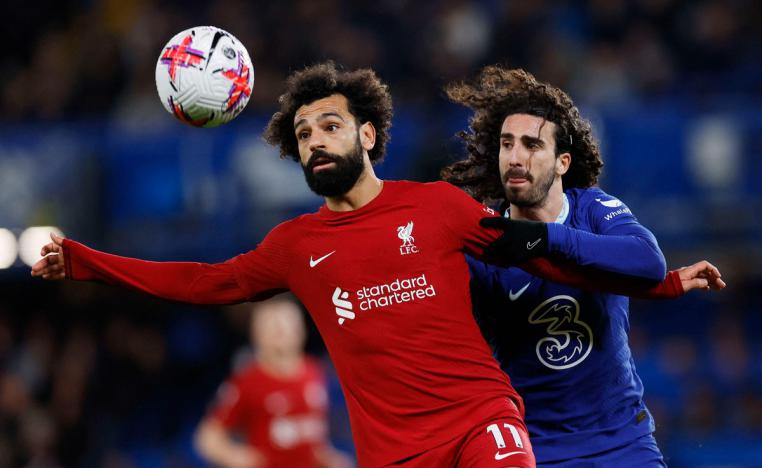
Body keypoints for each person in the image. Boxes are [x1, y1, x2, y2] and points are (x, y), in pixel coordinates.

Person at [32, 62, 714, 467]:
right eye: (303, 133)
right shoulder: (295, 246)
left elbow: (546, 261)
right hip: (396, 453)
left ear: (366, 133)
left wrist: (659, 282)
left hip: (484, 423)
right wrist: (88, 262)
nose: (315, 140)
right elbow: (205, 282)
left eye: (329, 125)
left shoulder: (440, 207)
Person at [441, 66, 725, 467]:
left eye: (532, 145)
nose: (516, 157)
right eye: (507, 144)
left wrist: (547, 238)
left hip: (623, 442)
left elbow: (648, 260)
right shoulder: (484, 239)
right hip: (536, 449)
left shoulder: (592, 208)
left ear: (562, 162)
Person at [194, 295, 352, 468]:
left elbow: (313, 434)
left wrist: (330, 458)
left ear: (301, 330)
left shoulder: (315, 372)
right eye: (273, 326)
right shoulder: (247, 381)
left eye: (288, 324)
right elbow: (208, 437)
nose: (282, 331)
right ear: (257, 334)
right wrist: (239, 458)